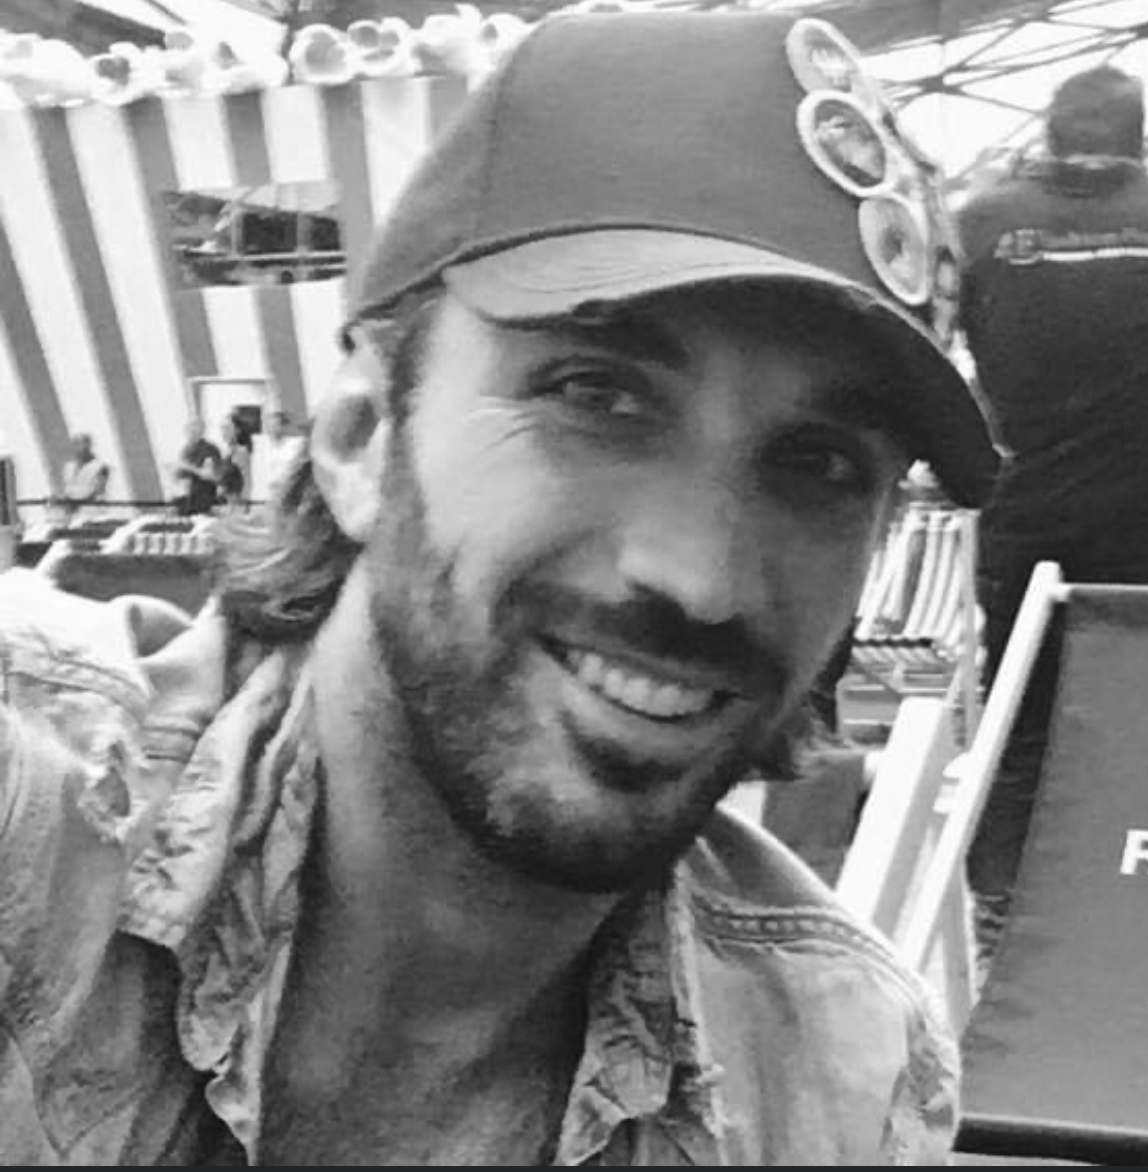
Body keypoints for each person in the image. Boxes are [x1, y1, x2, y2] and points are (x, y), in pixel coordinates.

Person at [0, 12, 998, 1165]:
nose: (704, 578)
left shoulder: (841, 1076)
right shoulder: (36, 826)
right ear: (361, 436)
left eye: (820, 466)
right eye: (598, 395)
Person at [955, 64, 1148, 968]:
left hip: (1029, 517)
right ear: (1138, 134)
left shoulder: (980, 223)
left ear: (1048, 130)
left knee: (1021, 725)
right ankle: (1135, 922)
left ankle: (1002, 933)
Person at [171, 415, 222, 516]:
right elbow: (177, 476)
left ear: (201, 431)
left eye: (192, 429)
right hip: (187, 496)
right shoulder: (186, 450)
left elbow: (211, 475)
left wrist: (189, 467)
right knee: (172, 508)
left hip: (203, 497)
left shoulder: (210, 449)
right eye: (187, 429)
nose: (188, 432)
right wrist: (175, 473)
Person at [58, 431, 110, 515]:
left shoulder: (101, 467)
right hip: (71, 513)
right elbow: (67, 488)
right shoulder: (68, 466)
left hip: (92, 512)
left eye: (82, 444)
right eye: (76, 444)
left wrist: (77, 504)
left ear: (89, 445)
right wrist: (63, 501)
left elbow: (99, 490)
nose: (79, 447)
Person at [218, 408, 254, 511]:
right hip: (228, 504)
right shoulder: (226, 452)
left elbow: (247, 481)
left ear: (237, 431)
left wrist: (244, 506)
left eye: (227, 428)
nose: (223, 432)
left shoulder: (241, 451)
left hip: (237, 505)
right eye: (222, 428)